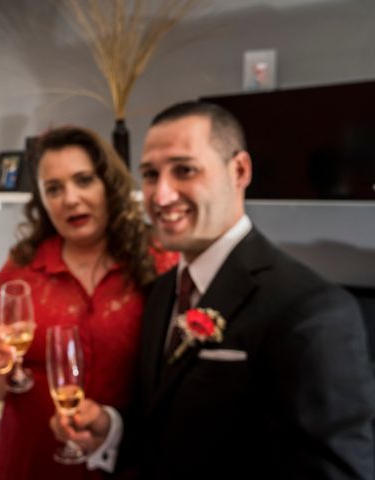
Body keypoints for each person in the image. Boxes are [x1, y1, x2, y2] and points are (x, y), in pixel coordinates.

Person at [51, 101, 375, 479]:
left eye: (184, 170)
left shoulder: (312, 311)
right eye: (151, 175)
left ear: (239, 171)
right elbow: (164, 423)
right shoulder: (160, 293)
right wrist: (111, 429)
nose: (160, 196)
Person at [0, 125, 178, 480]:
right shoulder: (22, 268)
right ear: (43, 202)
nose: (70, 199)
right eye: (54, 189)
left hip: (125, 458)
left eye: (84, 180)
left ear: (108, 184)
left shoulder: (158, 261)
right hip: (32, 460)